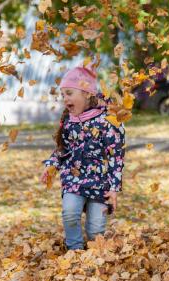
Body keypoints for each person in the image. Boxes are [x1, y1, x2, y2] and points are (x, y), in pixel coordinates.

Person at [40, 63, 126, 250]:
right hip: (74, 178)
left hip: (99, 183)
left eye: (69, 93)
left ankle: (94, 256)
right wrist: (51, 164)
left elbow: (116, 156)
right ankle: (75, 251)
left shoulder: (106, 121)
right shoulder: (69, 121)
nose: (65, 99)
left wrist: (114, 188)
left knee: (95, 230)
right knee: (70, 213)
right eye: (63, 95)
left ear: (87, 93)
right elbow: (63, 149)